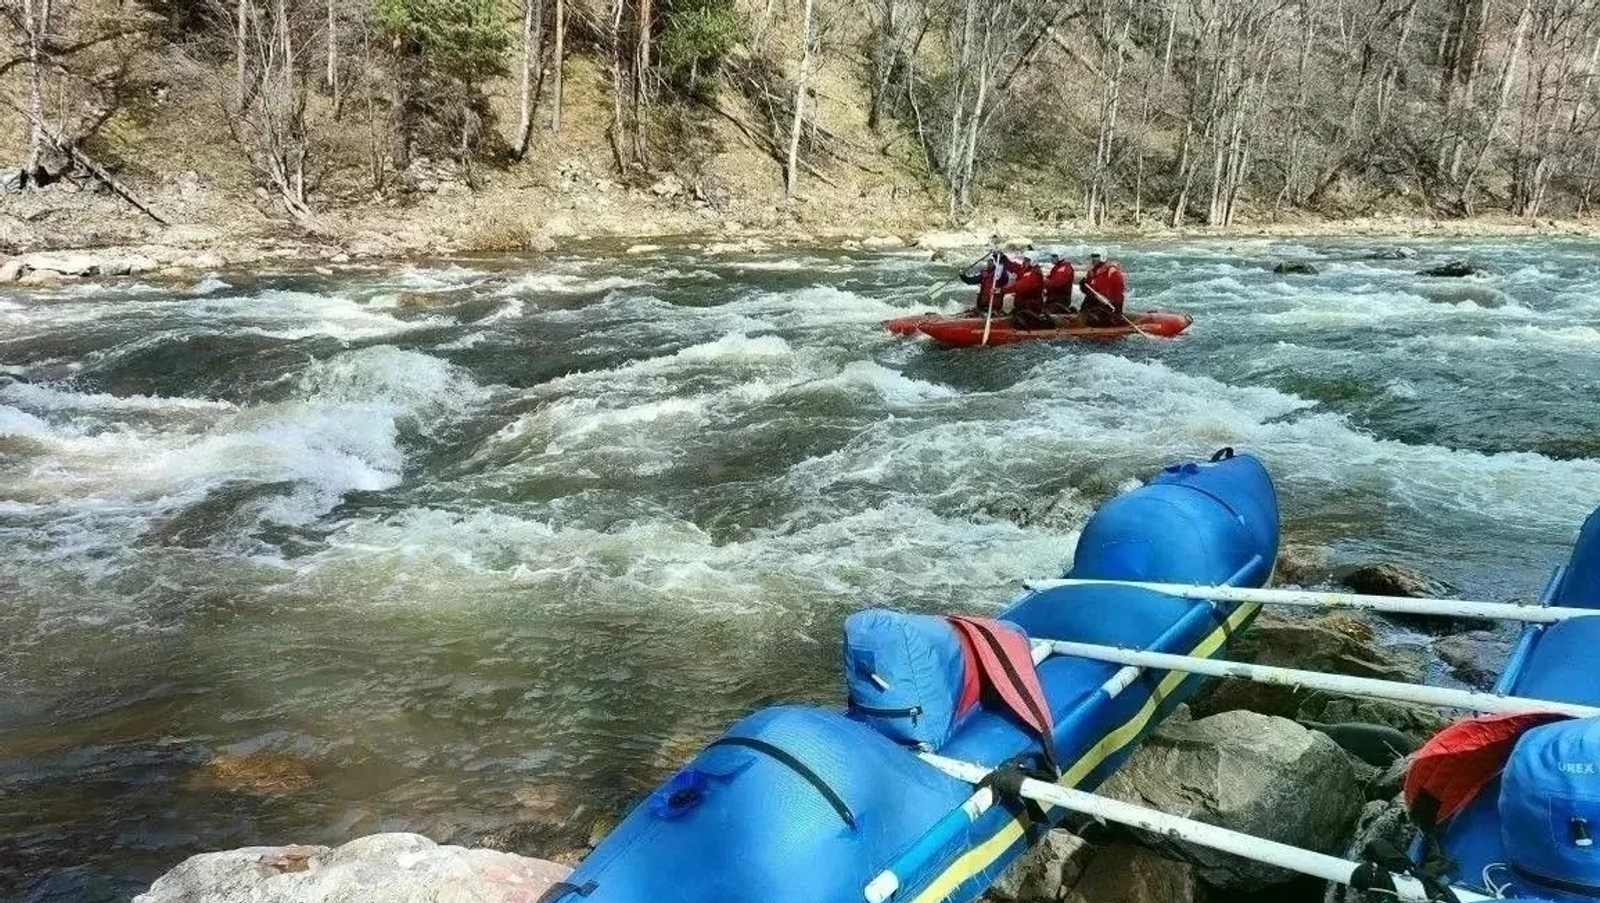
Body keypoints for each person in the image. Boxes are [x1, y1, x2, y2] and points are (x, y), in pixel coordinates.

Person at [1079, 251, 1127, 327]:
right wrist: (1082, 286)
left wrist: (1117, 304)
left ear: (1102, 257)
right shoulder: (1091, 272)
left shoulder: (1111, 270)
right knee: (1086, 308)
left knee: (1097, 318)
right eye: (1093, 257)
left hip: (1109, 304)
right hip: (1095, 302)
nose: (1094, 259)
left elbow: (1119, 286)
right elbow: (1088, 291)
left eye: (1097, 257)